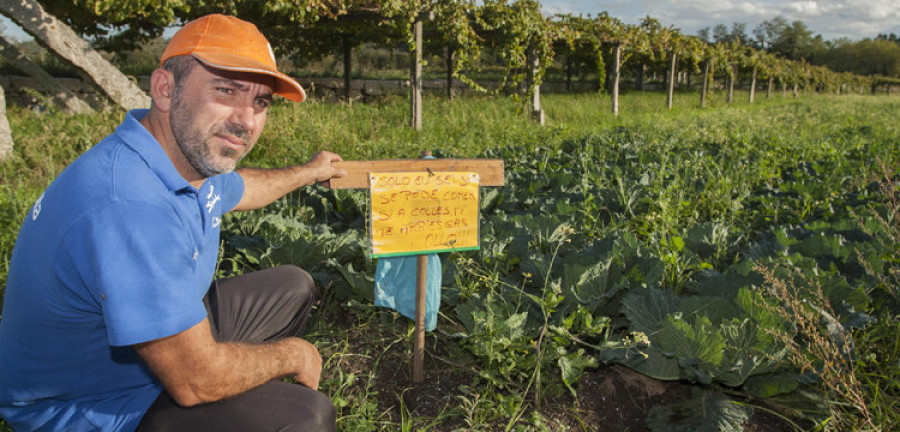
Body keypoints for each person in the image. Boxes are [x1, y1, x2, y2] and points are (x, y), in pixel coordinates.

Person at [0, 14, 346, 432]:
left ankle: (215, 364)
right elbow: (195, 382)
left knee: (292, 286)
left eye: (260, 102)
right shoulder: (130, 207)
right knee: (305, 417)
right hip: (93, 405)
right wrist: (291, 355)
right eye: (225, 90)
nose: (246, 120)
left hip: (138, 357)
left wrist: (309, 172)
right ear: (165, 89)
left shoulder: (177, 159)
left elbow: (243, 188)